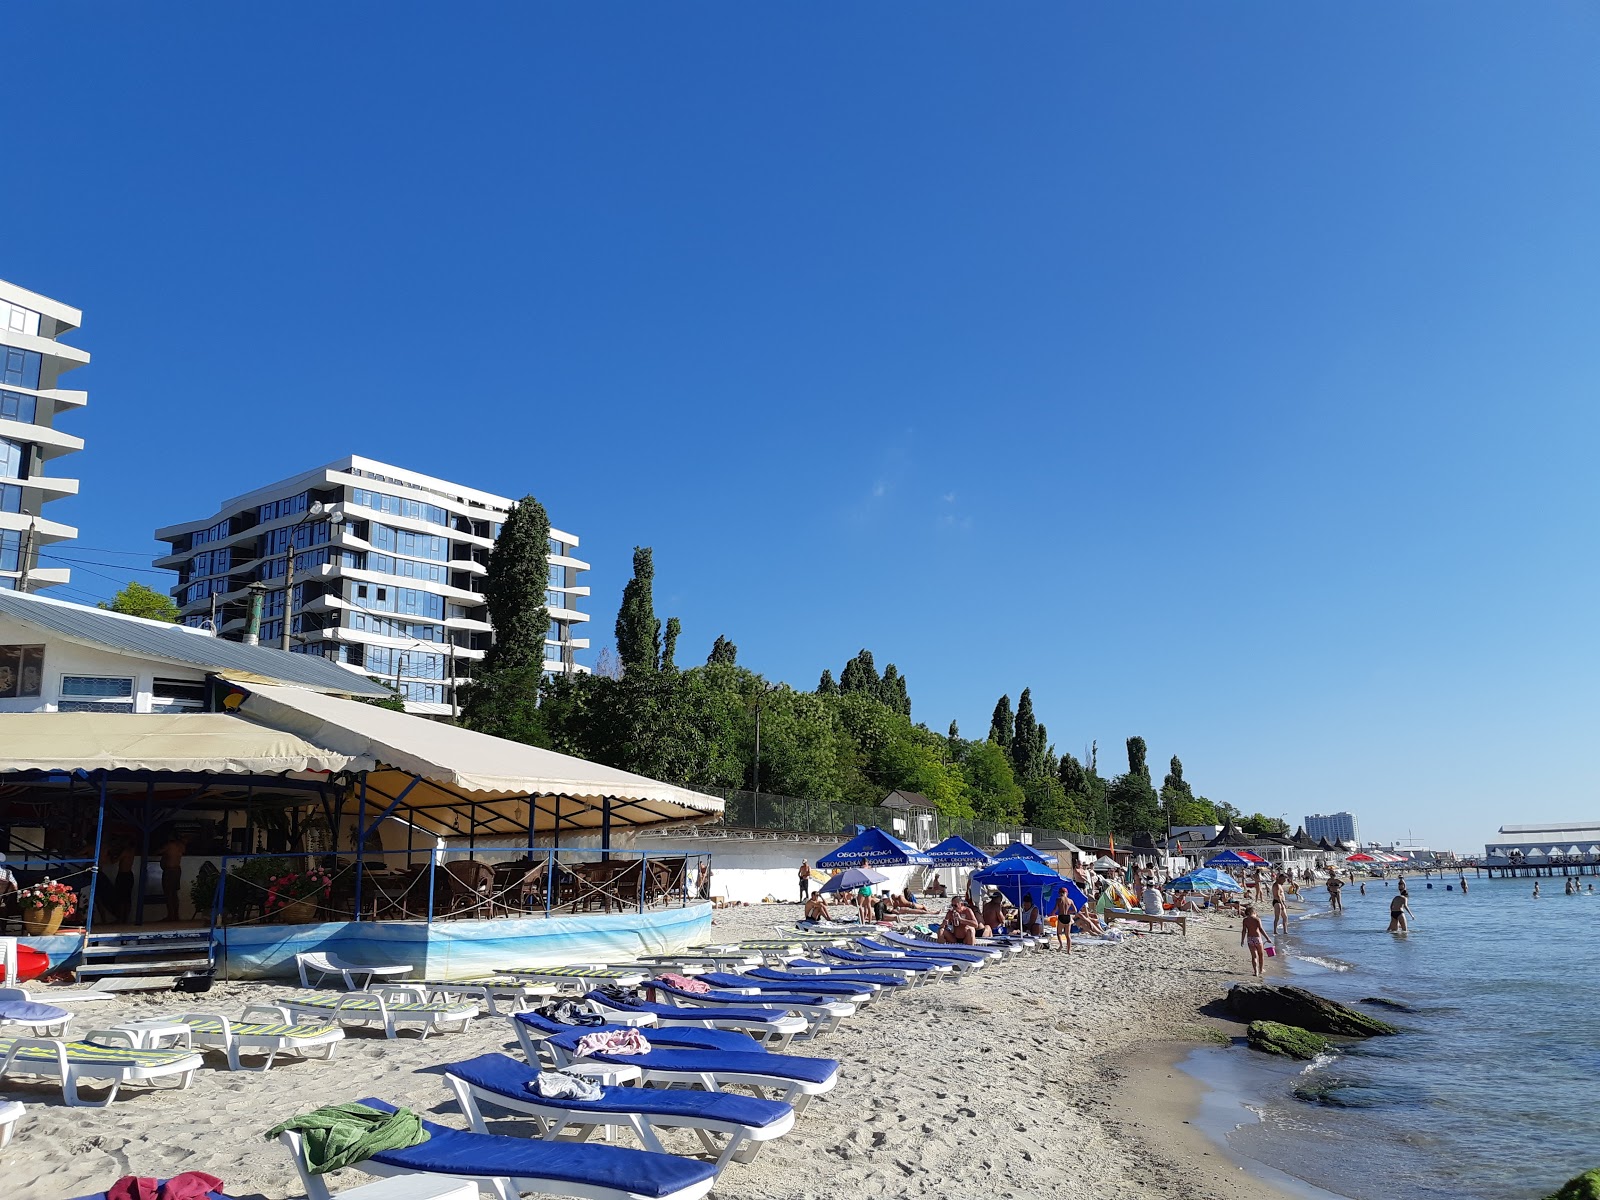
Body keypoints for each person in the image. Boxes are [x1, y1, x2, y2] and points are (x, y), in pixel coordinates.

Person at [159, 832, 187, 922]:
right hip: (176, 870)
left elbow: (159, 851)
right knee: (174, 893)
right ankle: (175, 915)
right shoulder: (181, 846)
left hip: (170, 871)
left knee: (169, 893)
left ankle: (171, 915)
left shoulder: (170, 845)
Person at [1240, 904, 1271, 977]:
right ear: (1253, 912)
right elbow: (1261, 929)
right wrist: (1267, 938)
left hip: (1250, 938)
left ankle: (1255, 971)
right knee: (1261, 954)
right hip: (1257, 938)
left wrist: (1242, 940)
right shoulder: (1257, 919)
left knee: (1254, 956)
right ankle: (1261, 969)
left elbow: (1244, 930)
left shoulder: (1245, 920)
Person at [1053, 885, 1076, 953]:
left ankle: (1061, 945)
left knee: (1059, 933)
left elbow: (1056, 908)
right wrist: (1069, 911)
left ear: (1060, 893)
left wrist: (1052, 913)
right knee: (1068, 935)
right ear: (1067, 893)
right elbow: (1075, 910)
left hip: (1061, 916)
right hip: (1068, 917)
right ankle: (1069, 950)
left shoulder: (1059, 899)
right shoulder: (1070, 900)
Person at [1271, 873, 1289, 937]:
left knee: (1285, 917)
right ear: (1281, 879)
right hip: (1277, 902)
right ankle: (1275, 931)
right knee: (1277, 917)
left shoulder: (1279, 885)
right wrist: (1282, 904)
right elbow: (1278, 896)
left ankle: (1285, 931)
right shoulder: (1277, 885)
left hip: (1280, 902)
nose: (1285, 881)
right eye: (1284, 879)